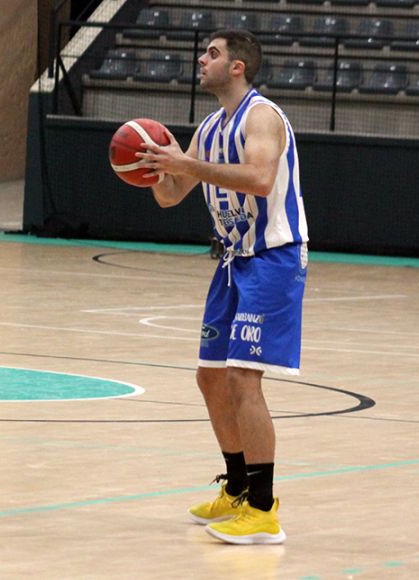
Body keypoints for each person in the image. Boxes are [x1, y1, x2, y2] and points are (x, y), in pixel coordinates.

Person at [136, 29, 308, 545]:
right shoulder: (210, 126)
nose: (201, 59)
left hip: (273, 258)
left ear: (237, 66)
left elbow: (258, 178)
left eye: (212, 53)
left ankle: (263, 509)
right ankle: (235, 488)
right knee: (210, 379)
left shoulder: (263, 116)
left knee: (241, 379)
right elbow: (172, 195)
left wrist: (184, 164)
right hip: (233, 262)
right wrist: (147, 169)